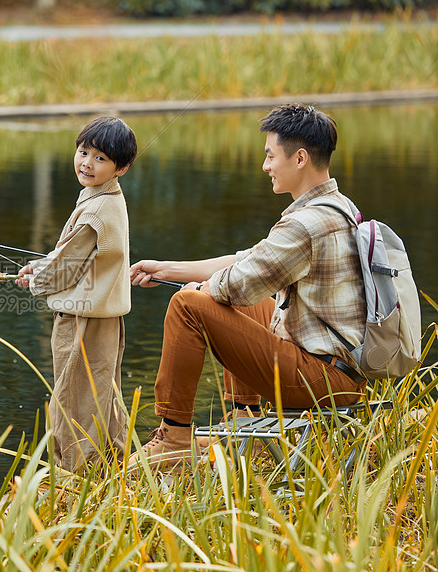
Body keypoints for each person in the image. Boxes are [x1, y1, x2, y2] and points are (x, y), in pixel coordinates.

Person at [128, 103, 366, 471]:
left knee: (187, 306)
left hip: (322, 382)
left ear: (299, 158)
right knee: (222, 300)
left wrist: (196, 291)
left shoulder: (305, 225)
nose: (265, 166)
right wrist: (169, 269)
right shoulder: (337, 207)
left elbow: (235, 285)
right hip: (339, 371)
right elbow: (249, 259)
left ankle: (174, 438)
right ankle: (244, 423)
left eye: (271, 156)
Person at [16, 116, 137, 472]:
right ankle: (114, 466)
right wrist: (41, 268)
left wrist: (38, 281)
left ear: (122, 167)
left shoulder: (95, 210)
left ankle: (73, 478)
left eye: (100, 158)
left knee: (73, 398)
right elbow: (75, 256)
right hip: (106, 318)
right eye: (84, 152)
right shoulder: (107, 198)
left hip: (83, 319)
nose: (87, 163)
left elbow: (66, 265)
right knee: (103, 394)